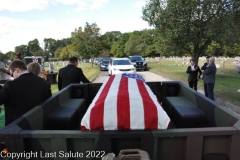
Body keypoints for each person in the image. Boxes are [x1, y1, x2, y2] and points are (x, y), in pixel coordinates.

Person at [0, 60, 52, 126]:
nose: (12, 76)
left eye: (12, 73)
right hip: (39, 123)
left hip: (16, 128)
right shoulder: (42, 82)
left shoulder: (10, 85)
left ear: (16, 70)